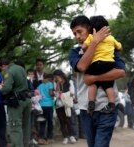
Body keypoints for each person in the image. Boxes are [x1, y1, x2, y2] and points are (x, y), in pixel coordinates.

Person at [68, 15, 126, 147]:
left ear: (89, 29)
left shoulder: (109, 48)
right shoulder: (75, 52)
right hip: (86, 109)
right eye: (74, 33)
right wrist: (94, 43)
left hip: (107, 108)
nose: (77, 36)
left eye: (79, 32)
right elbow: (81, 66)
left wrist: (93, 78)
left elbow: (121, 72)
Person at [82, 15, 122, 114]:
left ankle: (91, 103)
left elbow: (83, 47)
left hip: (96, 63)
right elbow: (120, 47)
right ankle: (111, 103)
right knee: (108, 85)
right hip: (109, 64)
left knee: (92, 83)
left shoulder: (91, 37)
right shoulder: (111, 38)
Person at [0, 57, 31, 147]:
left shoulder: (9, 71)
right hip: (27, 100)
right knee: (25, 126)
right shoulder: (21, 68)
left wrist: (1, 88)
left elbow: (7, 89)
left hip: (16, 102)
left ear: (3, 65)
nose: (2, 71)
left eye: (1, 69)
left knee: (15, 127)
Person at [37, 73, 54, 145]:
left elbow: (37, 94)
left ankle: (41, 139)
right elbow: (50, 93)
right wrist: (55, 93)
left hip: (41, 106)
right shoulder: (50, 84)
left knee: (42, 122)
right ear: (49, 78)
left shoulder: (39, 85)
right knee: (50, 122)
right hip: (49, 105)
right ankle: (49, 138)